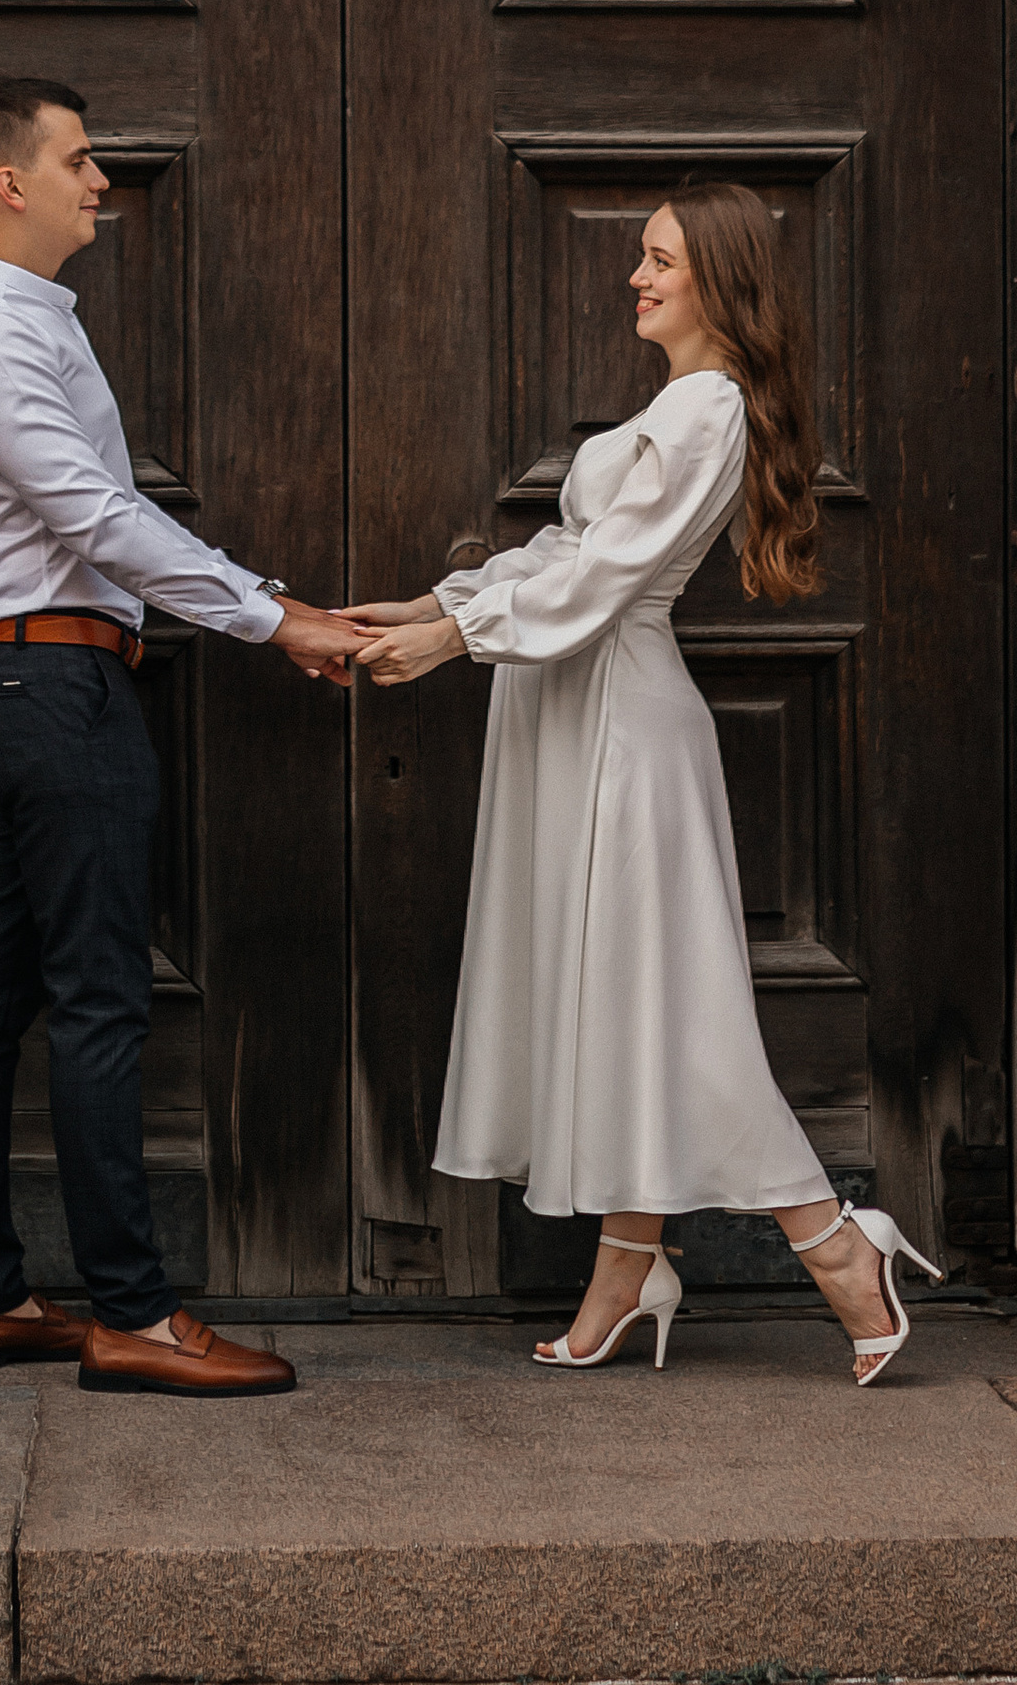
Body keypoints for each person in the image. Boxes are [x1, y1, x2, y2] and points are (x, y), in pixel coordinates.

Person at [346, 178, 942, 1384]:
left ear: (718, 280)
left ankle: (835, 1245)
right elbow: (571, 549)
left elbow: (607, 575)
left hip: (623, 726)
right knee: (624, 1004)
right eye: (639, 257)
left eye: (660, 259)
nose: (637, 276)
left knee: (681, 1012)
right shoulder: (679, 406)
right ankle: (628, 1268)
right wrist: (437, 603)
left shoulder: (707, 408)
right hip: (585, 712)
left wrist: (449, 643)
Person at [0, 74, 362, 1397]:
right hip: (48, 693)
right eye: (80, 159)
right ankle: (136, 1318)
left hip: (25, 685)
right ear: (12, 182)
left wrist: (250, 603)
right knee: (99, 1003)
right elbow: (95, 519)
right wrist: (268, 615)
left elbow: (96, 511)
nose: (102, 179)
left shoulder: (17, 319)